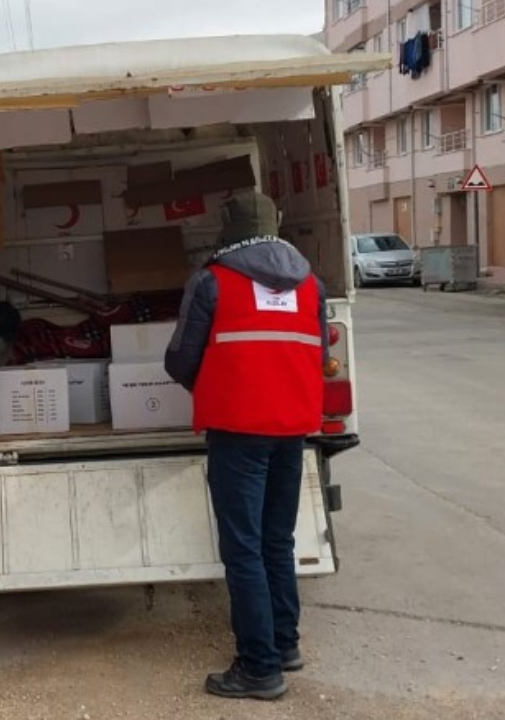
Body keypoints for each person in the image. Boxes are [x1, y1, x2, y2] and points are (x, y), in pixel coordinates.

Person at [164, 192, 327, 701]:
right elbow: (318, 354)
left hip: (238, 432)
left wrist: (218, 387)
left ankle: (259, 669)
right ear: (275, 226)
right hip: (292, 429)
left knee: (244, 549)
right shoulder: (311, 284)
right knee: (278, 540)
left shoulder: (212, 281)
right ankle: (284, 645)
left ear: (227, 230)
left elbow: (180, 358)